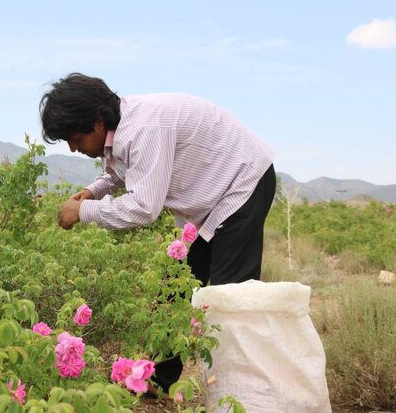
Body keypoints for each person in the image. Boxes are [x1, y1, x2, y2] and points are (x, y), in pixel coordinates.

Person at [39, 72, 276, 395]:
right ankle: (156, 380)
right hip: (209, 201)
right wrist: (91, 192)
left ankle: (241, 395)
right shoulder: (119, 126)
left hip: (242, 184)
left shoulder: (143, 129)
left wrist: (83, 212)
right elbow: (120, 171)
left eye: (75, 138)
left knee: (228, 301)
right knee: (175, 289)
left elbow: (143, 207)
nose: (73, 147)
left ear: (96, 123)